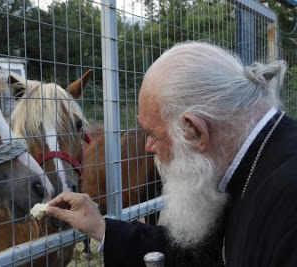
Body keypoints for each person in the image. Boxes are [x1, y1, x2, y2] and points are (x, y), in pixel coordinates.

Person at [46, 42, 297, 266]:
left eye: (153, 134)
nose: (148, 147)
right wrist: (101, 227)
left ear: (196, 132)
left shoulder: (287, 207)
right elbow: (201, 255)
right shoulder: (246, 166)